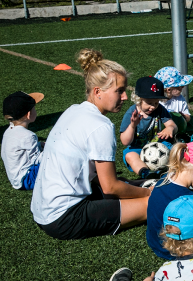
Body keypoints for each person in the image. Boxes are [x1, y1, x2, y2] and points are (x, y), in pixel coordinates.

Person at [31, 49, 150, 240]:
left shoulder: (73, 110)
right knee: (152, 204)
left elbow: (93, 176)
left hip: (42, 210)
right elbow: (110, 187)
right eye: (119, 91)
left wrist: (132, 185)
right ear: (98, 92)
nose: (125, 97)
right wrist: (146, 192)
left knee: (128, 189)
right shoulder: (100, 125)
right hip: (63, 218)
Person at [119, 77, 178, 178]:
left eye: (156, 103)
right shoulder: (131, 114)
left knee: (177, 149)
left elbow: (173, 125)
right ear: (138, 99)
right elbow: (125, 141)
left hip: (158, 145)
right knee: (130, 156)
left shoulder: (160, 109)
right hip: (137, 148)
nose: (153, 107)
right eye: (149, 103)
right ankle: (146, 173)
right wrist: (132, 126)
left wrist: (170, 128)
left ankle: (181, 169)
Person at [0, 91, 45, 190]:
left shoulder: (8, 132)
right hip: (27, 178)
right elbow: (37, 160)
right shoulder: (28, 136)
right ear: (29, 114)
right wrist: (50, 149)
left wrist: (39, 145)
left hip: (16, 178)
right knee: (57, 159)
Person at [154, 66, 193, 134]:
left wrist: (183, 117)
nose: (183, 87)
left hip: (179, 130)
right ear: (169, 90)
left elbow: (188, 116)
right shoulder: (155, 102)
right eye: (180, 86)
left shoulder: (180, 99)